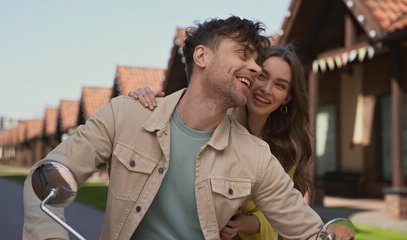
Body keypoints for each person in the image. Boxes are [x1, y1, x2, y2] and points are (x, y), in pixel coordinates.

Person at [23, 16, 323, 240]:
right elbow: (46, 176)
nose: (257, 69)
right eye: (244, 54)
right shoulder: (126, 114)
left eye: (258, 61)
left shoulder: (255, 155)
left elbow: (307, 228)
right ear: (202, 56)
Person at [128, 44, 313, 240]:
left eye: (280, 85)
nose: (266, 89)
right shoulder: (209, 121)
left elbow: (281, 216)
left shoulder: (285, 149)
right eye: (262, 76)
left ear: (287, 98)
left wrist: (244, 223)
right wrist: (143, 105)